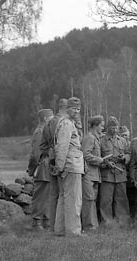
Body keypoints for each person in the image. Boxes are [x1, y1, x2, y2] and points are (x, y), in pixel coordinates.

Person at [52, 97, 85, 236]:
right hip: (72, 165)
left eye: (78, 109)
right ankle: (73, 231)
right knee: (73, 199)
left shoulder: (68, 123)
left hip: (69, 165)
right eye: (73, 108)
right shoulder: (66, 124)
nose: (76, 111)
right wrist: (59, 166)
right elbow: (62, 146)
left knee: (64, 198)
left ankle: (60, 230)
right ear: (67, 108)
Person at [99, 115, 131, 226]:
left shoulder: (122, 141)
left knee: (121, 199)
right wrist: (105, 163)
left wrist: (125, 158)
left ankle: (123, 221)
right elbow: (98, 157)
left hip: (120, 173)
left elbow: (128, 153)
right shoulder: (101, 141)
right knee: (106, 200)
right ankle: (107, 222)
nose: (115, 129)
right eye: (112, 127)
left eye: (116, 127)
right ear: (107, 127)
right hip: (107, 174)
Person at [42, 98, 68, 228]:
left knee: (54, 195)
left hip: (51, 160)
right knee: (64, 194)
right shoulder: (64, 123)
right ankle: (61, 226)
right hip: (63, 161)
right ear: (66, 108)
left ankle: (52, 225)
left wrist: (50, 154)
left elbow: (43, 146)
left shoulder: (48, 123)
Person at [28, 108, 54, 230]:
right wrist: (33, 169)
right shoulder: (39, 132)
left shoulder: (46, 131)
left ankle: (46, 221)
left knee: (47, 195)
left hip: (47, 166)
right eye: (51, 117)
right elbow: (36, 154)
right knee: (40, 195)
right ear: (45, 118)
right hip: (42, 167)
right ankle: (37, 222)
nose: (53, 119)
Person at [81, 115, 106, 231]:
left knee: (92, 200)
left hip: (94, 174)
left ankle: (93, 225)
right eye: (101, 126)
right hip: (88, 174)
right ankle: (89, 226)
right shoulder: (89, 138)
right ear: (95, 126)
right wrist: (99, 160)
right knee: (89, 200)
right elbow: (85, 155)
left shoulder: (95, 138)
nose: (103, 128)